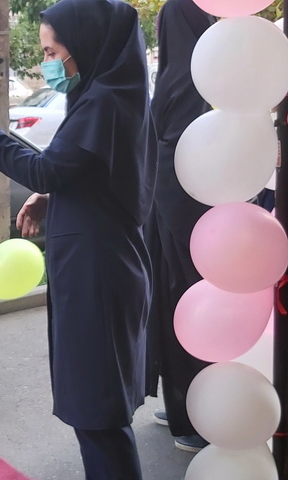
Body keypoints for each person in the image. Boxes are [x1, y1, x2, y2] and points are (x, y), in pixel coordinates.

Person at [0, 0, 156, 477]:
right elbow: (99, 177)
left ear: (86, 46)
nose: (47, 63)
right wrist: (54, 198)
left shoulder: (104, 102)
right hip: (100, 265)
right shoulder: (109, 96)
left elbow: (45, 168)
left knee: (98, 414)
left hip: (98, 275)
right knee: (97, 410)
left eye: (52, 52)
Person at [144, 0, 216, 453]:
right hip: (185, 213)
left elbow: (166, 146)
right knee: (183, 308)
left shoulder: (179, 83)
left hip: (177, 214)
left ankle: (195, 415)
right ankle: (186, 408)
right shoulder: (205, 80)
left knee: (182, 307)